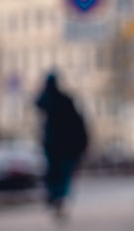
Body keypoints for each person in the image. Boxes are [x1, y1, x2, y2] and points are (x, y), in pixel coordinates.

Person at [35, 72, 89, 218]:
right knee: (63, 174)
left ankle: (55, 196)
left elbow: (37, 103)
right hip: (66, 146)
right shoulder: (66, 100)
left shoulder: (48, 100)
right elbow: (78, 123)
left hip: (53, 144)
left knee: (54, 172)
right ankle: (59, 198)